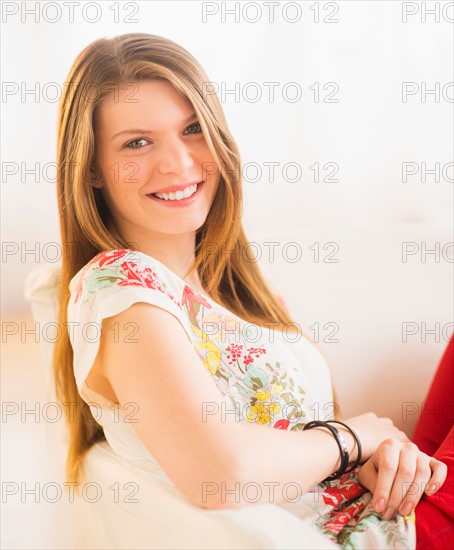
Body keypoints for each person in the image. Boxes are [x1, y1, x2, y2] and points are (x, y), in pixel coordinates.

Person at [53, 33, 453, 549]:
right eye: (137, 142)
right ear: (90, 170)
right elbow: (221, 470)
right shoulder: (121, 286)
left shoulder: (230, 287)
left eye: (193, 129)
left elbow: (298, 446)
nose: (178, 162)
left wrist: (386, 451)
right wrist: (353, 438)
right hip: (383, 535)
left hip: (387, 505)